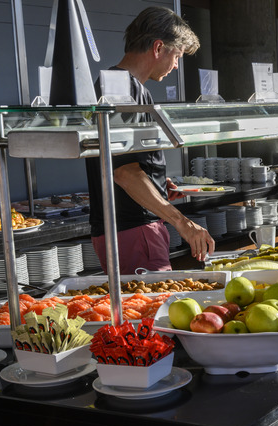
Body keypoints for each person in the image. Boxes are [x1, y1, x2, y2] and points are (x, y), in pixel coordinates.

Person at [85, 6, 215, 274]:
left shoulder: (125, 87)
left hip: (129, 229)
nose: (176, 65)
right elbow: (124, 172)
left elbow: (125, 164)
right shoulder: (122, 88)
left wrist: (156, 183)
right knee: (153, 312)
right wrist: (183, 223)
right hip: (134, 230)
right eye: (177, 55)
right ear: (158, 48)